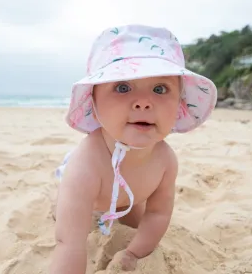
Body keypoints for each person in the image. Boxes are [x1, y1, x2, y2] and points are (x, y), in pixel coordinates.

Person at [50, 24, 217, 273]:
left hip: (129, 196)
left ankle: (121, 209)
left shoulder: (165, 161)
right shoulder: (85, 165)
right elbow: (68, 245)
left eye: (160, 89)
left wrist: (132, 253)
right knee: (70, 222)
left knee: (137, 222)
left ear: (179, 104)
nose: (142, 103)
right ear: (93, 102)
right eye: (122, 87)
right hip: (88, 193)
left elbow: (159, 214)